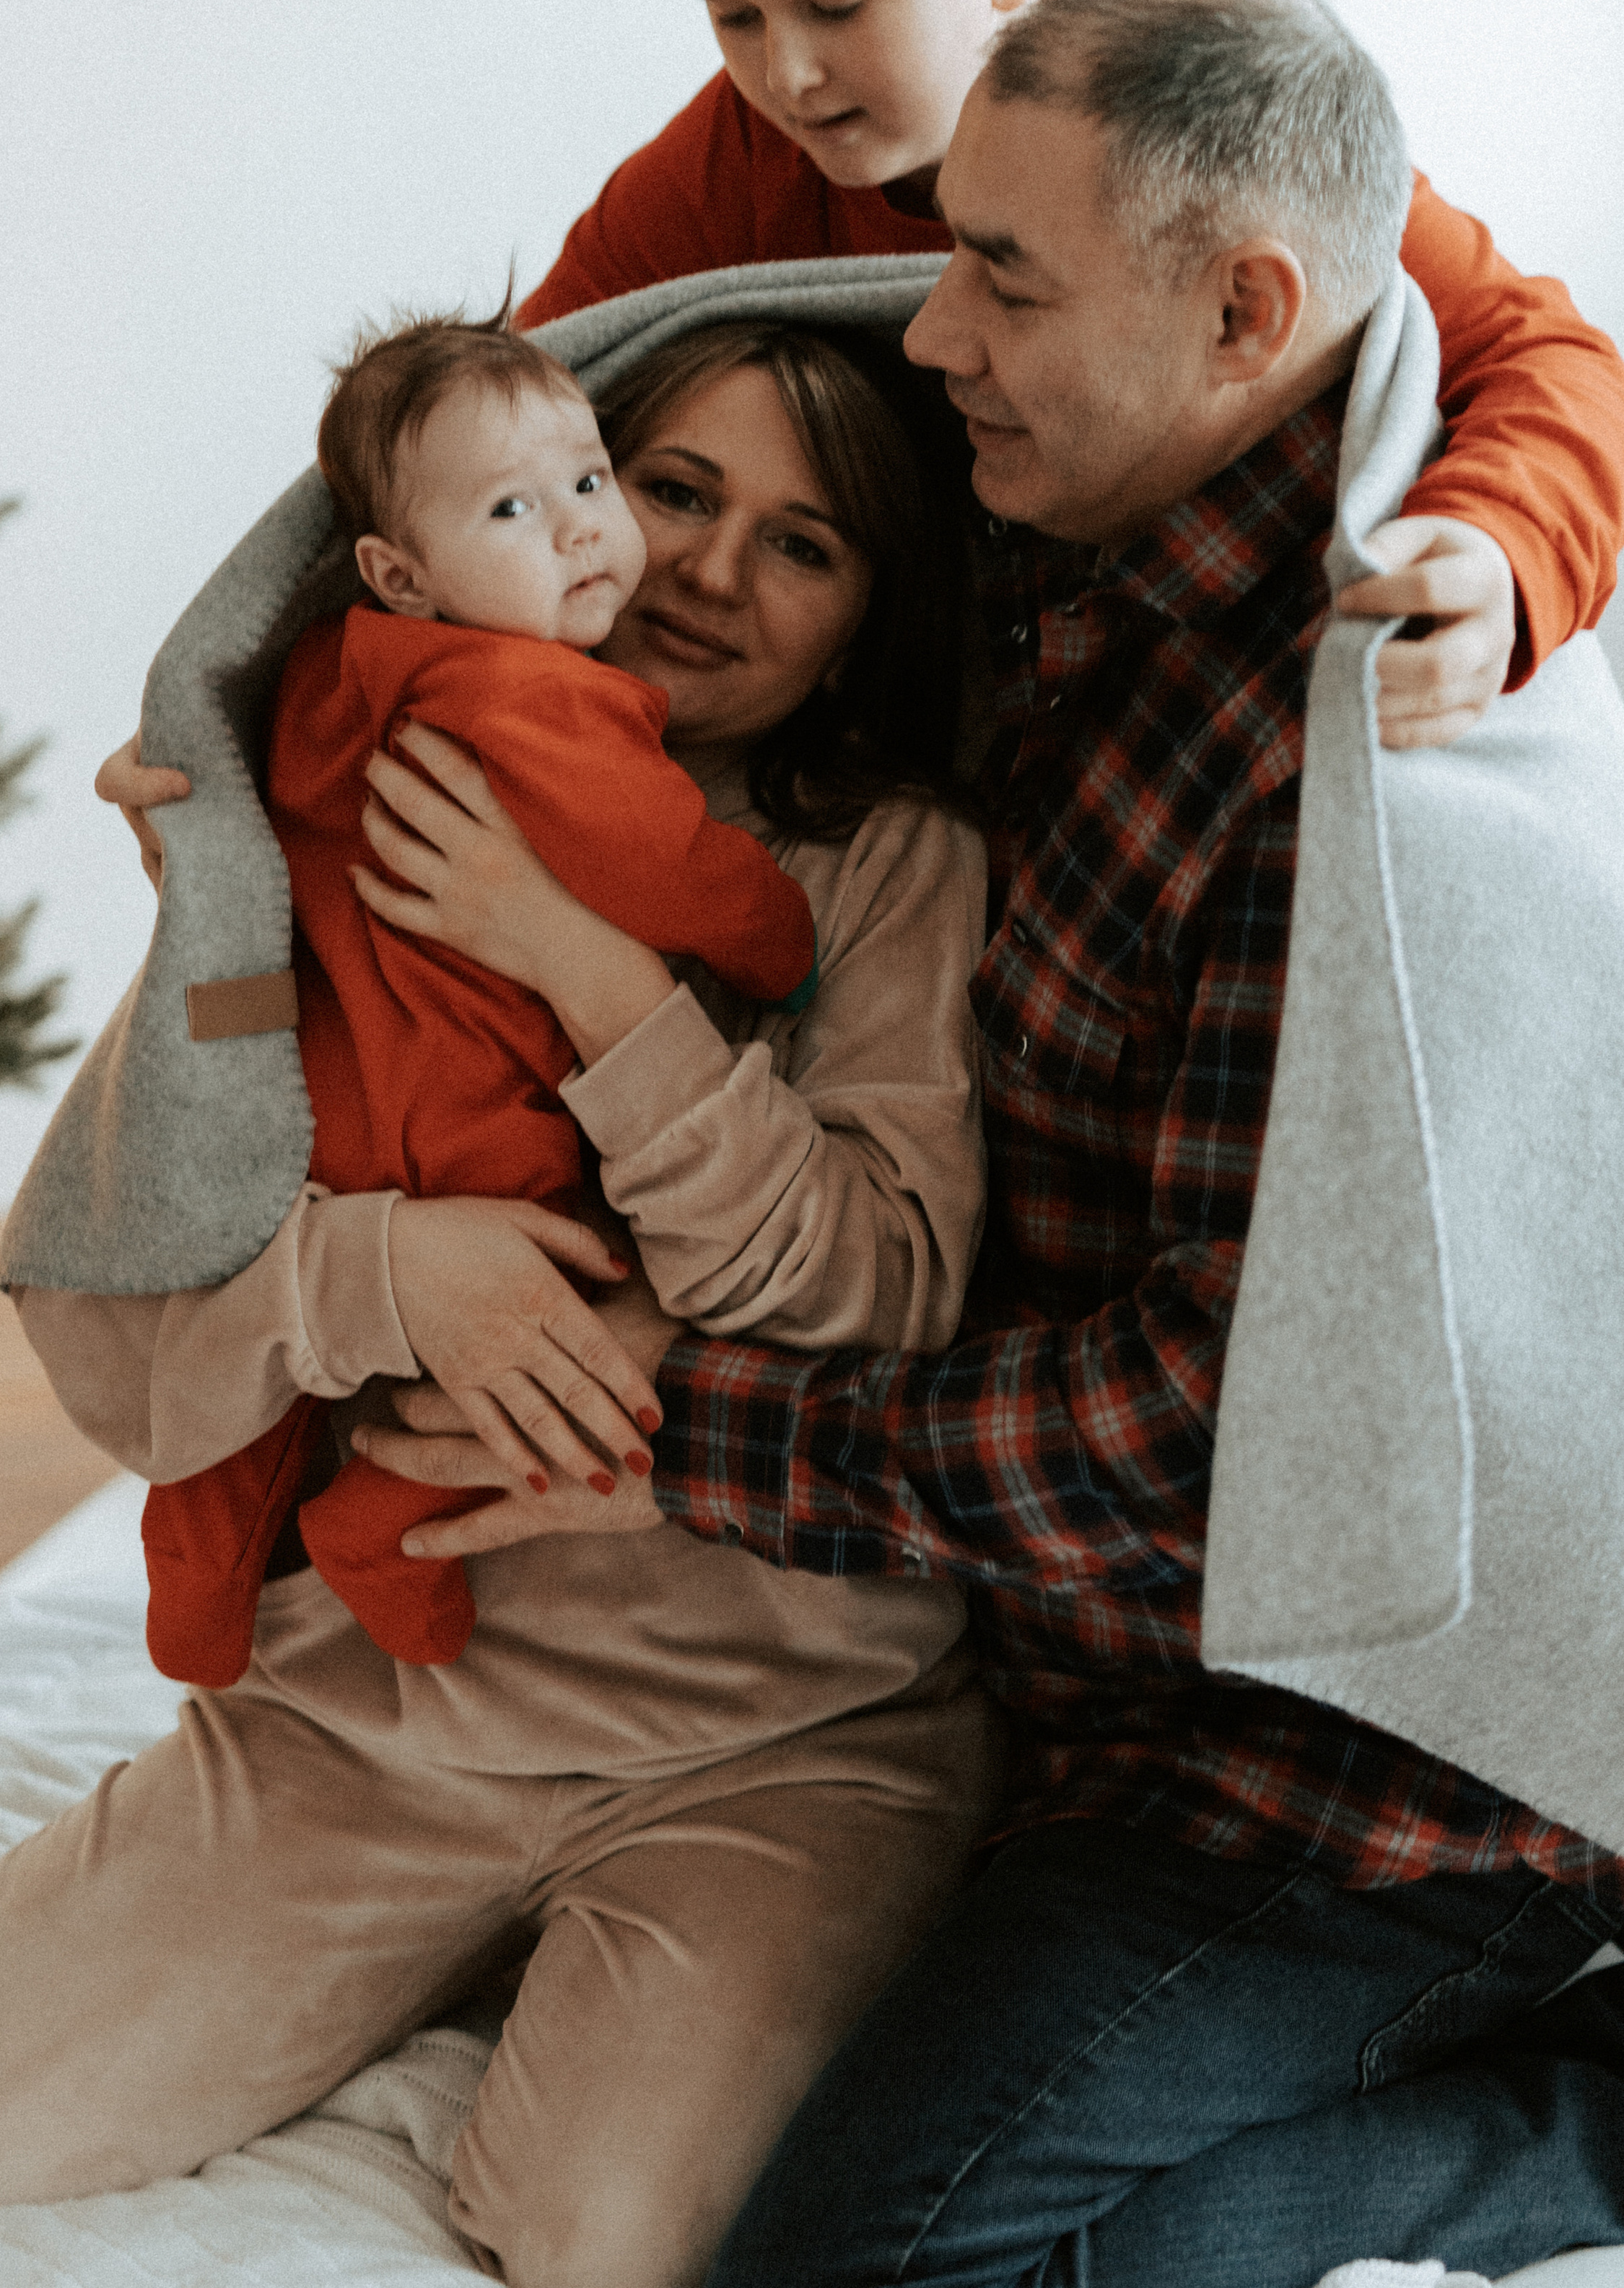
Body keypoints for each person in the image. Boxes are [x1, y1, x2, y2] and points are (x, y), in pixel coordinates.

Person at [355, 0, 1624, 2285]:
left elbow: (1223, 1449)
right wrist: (273, 750)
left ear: (1246, 312)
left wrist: (682, 1428)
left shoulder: (1356, 785)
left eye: (1001, 277)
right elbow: (521, 465)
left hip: (1361, 1786)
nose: (929, 335)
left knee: (865, 2265)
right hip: (1066, 1694)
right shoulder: (1066, 539)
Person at [0, 316, 1004, 2288]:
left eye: (805, 545)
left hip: (781, 1741)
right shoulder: (340, 805)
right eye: (680, 490)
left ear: (876, 605)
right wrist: (377, 1275)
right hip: (373, 1712)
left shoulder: (890, 866)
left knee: (602, 2236)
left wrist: (577, 960)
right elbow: (106, 1326)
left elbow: (877, 1286)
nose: (705, 569)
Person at [516, 0, 1624, 751]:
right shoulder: (744, 147)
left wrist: (1500, 547)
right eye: (734, 18)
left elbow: (1546, 355)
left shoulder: (1193, 104)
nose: (787, 75)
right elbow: (510, 410)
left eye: (839, 6)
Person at [141, 304, 821, 1689]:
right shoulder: (538, 701)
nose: (583, 531)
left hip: (320, 1103)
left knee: (245, 1413)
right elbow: (669, 866)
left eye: (589, 480)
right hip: (468, 1118)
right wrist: (776, 931)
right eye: (516, 508)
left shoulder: (330, 678)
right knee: (586, 1321)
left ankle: (196, 1590)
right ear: (400, 571)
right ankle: (388, 1525)